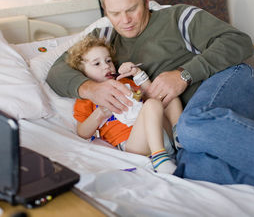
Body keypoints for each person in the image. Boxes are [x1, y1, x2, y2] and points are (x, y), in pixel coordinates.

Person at [47, 0, 254, 207]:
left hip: (237, 85)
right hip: (198, 131)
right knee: (194, 168)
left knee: (190, 126)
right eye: (115, 13)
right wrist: (90, 89)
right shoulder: (105, 37)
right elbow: (56, 71)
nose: (125, 20)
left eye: (132, 9)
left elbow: (239, 41)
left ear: (145, 0)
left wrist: (184, 75)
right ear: (105, 11)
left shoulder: (177, 17)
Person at [66, 34, 183, 174]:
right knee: (152, 104)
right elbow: (82, 133)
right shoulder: (87, 98)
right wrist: (100, 113)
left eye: (108, 61)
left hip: (161, 133)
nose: (106, 67)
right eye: (97, 64)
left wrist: (137, 73)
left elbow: (153, 94)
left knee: (169, 98)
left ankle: (182, 139)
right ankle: (159, 158)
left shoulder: (125, 82)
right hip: (134, 145)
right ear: (82, 72)